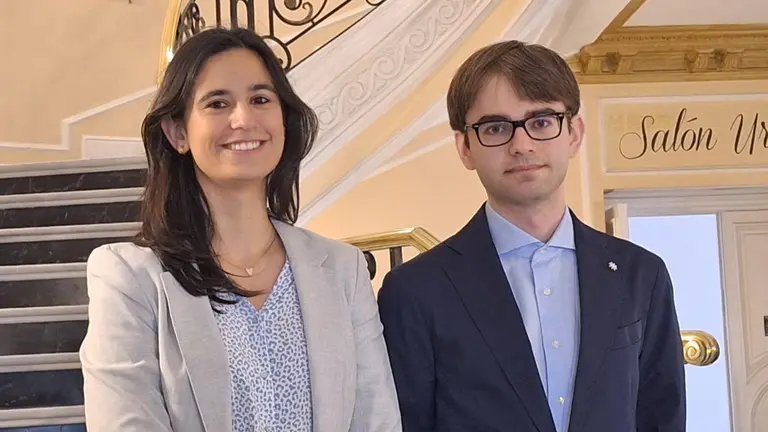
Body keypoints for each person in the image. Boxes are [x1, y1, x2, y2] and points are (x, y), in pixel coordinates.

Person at [79, 27, 401, 432]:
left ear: (284, 121)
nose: (244, 118)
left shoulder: (342, 269)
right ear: (178, 132)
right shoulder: (129, 277)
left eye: (260, 99)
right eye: (217, 103)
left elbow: (377, 420)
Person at [377, 40, 686, 432]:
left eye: (541, 121)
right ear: (465, 148)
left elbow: (662, 417)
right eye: (495, 127)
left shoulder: (641, 274)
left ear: (573, 133)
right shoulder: (415, 290)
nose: (521, 145)